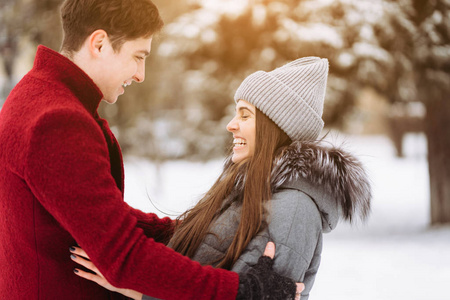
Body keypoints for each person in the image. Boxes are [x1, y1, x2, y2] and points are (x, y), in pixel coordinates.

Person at [0, 0, 303, 299]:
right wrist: (242, 291)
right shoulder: (58, 120)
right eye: (138, 56)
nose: (140, 74)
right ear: (100, 44)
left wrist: (191, 230)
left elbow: (92, 209)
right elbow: (125, 258)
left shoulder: (34, 93)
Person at [70, 57, 372, 300]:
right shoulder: (251, 191)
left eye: (244, 115)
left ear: (274, 126)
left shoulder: (293, 209)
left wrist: (138, 291)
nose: (231, 125)